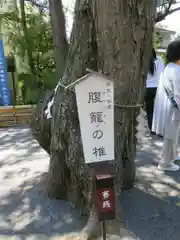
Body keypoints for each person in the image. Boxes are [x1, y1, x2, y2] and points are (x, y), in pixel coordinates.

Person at [152, 40, 180, 171]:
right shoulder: (176, 70)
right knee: (171, 136)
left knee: (173, 135)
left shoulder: (171, 67)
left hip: (171, 107)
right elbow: (178, 94)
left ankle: (172, 156)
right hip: (174, 109)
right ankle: (165, 163)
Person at [145, 48, 165, 133]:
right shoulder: (159, 59)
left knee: (150, 110)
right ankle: (159, 128)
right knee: (159, 109)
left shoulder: (143, 61)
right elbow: (162, 73)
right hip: (158, 88)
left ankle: (151, 128)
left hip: (147, 88)